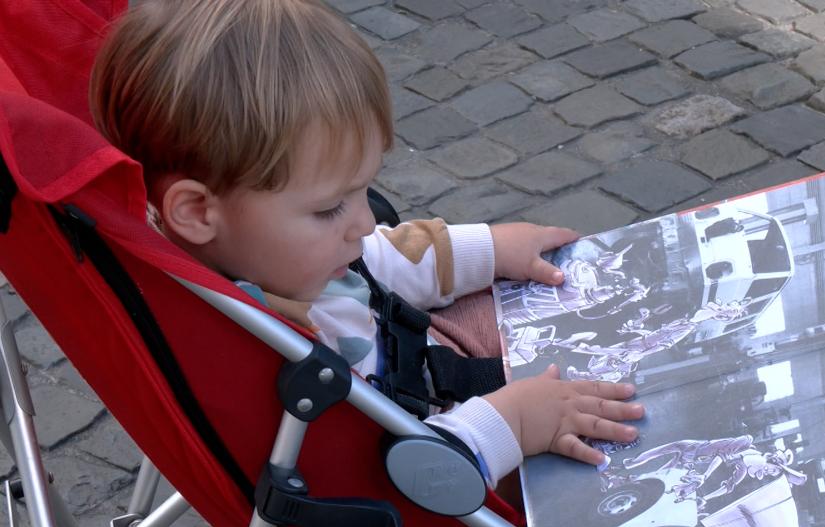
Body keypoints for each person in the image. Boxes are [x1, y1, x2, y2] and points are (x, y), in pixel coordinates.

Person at [88, 0, 644, 489]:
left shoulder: (282, 257)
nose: (360, 223)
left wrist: (487, 250)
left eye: (364, 190)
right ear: (197, 211)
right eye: (330, 206)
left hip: (425, 373)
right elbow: (386, 474)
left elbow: (370, 262)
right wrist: (517, 423)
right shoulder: (260, 351)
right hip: (442, 452)